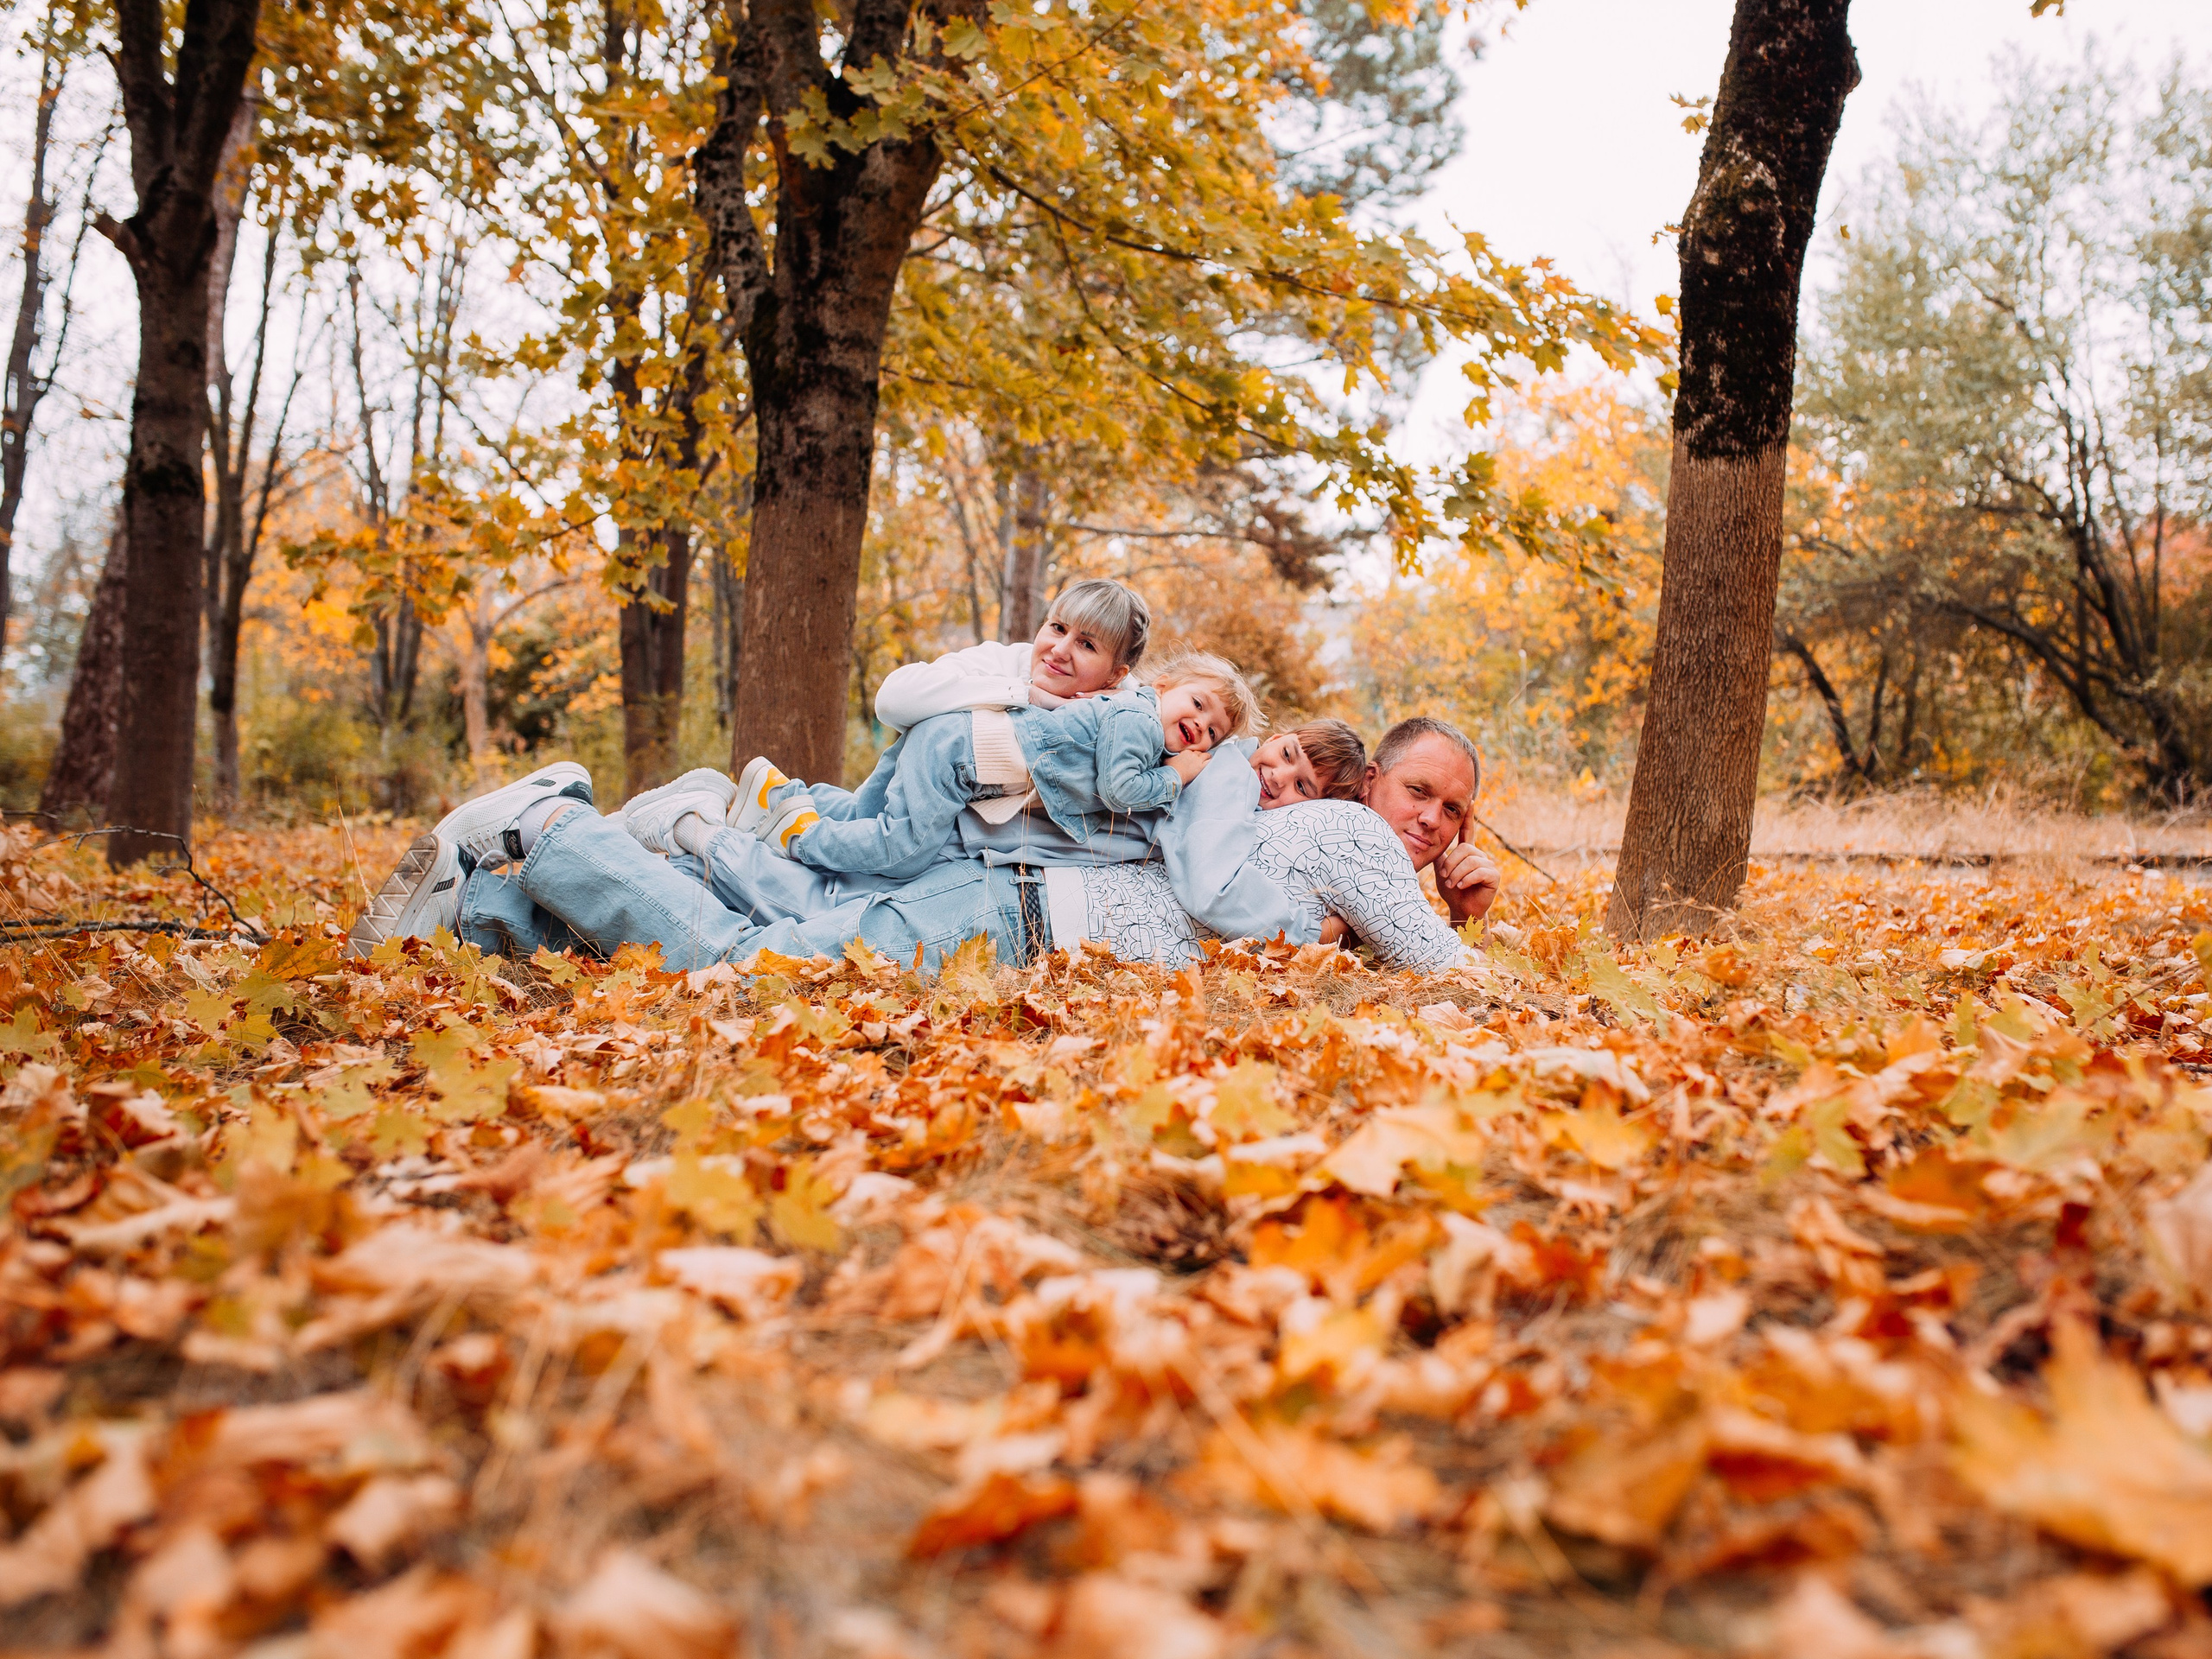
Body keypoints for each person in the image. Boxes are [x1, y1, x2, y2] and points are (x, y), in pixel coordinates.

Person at [747, 651, 1253, 887]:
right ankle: (797, 838)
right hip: (959, 752)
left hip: (952, 734)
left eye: (1213, 732)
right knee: (903, 852)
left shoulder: (1129, 709)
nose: (1201, 726)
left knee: (865, 813)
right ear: (1162, 686)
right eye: (1199, 703)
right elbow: (1120, 789)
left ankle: (782, 796)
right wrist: (1177, 776)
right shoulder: (1139, 721)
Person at [1162, 714, 1500, 947]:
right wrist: (1320, 934)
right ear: (1370, 780)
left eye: (1452, 810)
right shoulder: (1354, 832)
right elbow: (1451, 970)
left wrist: (1467, 913)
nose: (1431, 819)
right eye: (1417, 791)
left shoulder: (1292, 807)